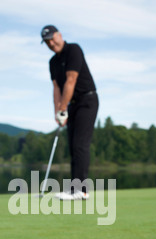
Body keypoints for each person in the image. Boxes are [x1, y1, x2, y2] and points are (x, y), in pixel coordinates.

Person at [41, 25, 99, 201]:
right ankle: (75, 189)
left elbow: (70, 81)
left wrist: (63, 108)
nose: (51, 43)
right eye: (47, 42)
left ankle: (81, 190)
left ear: (59, 35)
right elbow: (57, 88)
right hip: (71, 105)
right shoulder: (52, 62)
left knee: (80, 144)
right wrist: (57, 112)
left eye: (52, 38)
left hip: (87, 100)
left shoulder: (73, 49)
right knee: (73, 146)